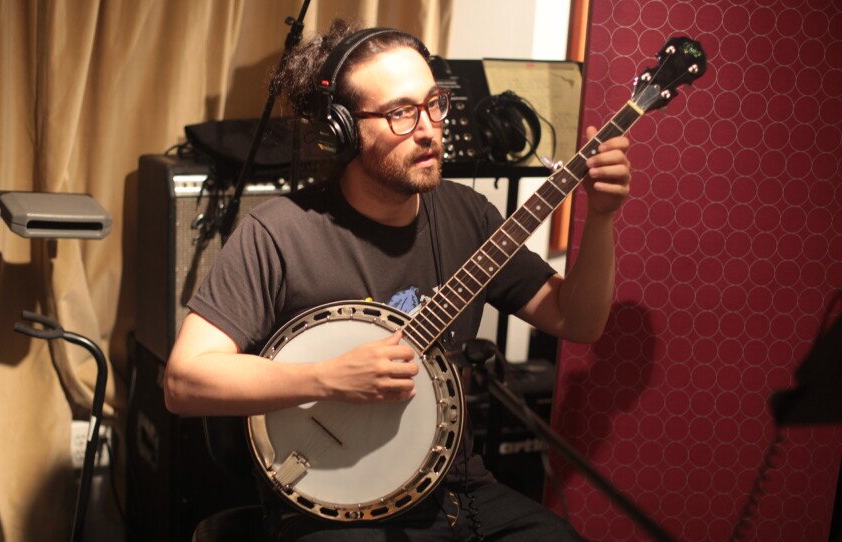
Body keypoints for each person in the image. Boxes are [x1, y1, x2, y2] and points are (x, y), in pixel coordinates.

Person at [165, 19, 631, 541]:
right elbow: (185, 381)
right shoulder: (279, 233)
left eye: (434, 104)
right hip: (331, 504)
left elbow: (578, 321)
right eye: (401, 113)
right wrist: (328, 378)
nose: (429, 129)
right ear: (341, 131)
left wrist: (601, 217)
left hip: (458, 488)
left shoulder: (468, 215)